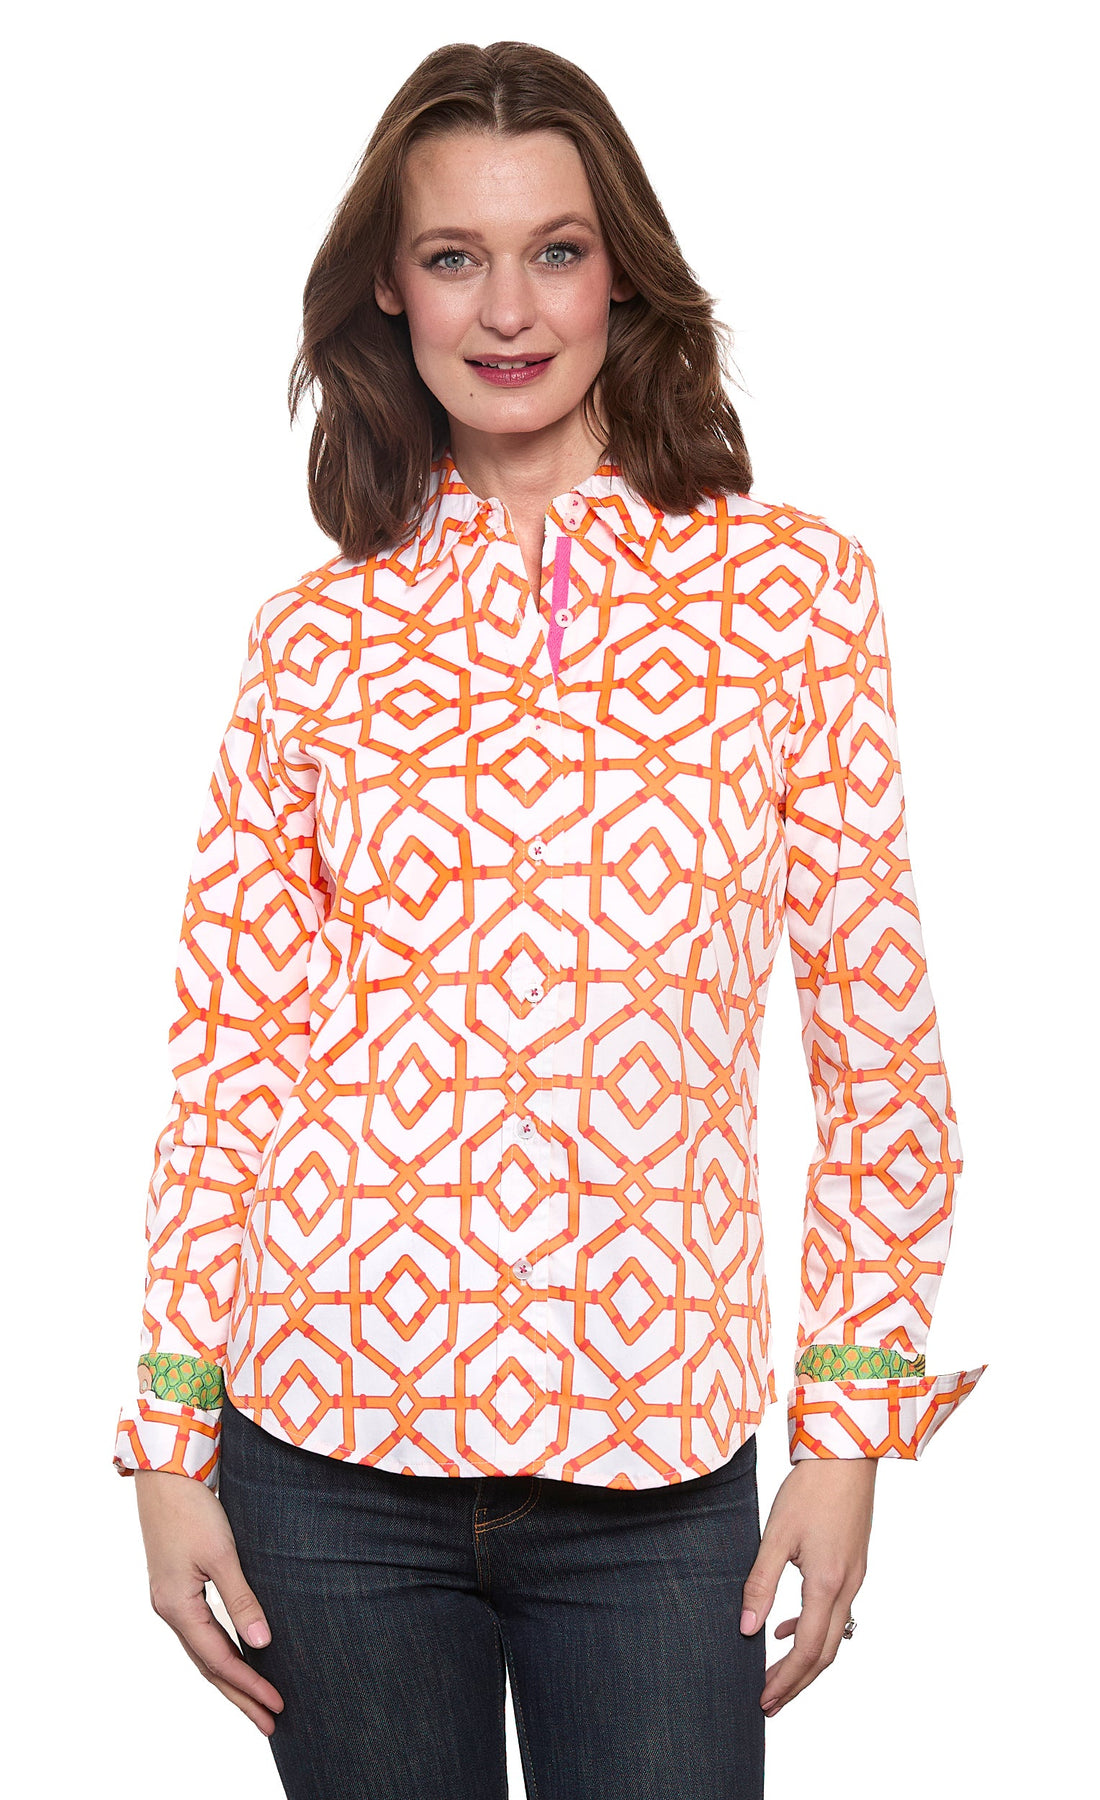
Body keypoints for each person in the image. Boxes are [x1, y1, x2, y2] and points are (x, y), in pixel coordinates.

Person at [112, 39, 987, 1800]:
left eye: (557, 252)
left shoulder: (792, 595)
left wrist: (848, 1429)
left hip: (657, 1474)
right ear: (391, 285)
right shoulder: (316, 638)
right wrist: (169, 1440)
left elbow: (877, 1048)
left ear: (622, 271)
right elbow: (233, 1056)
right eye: (455, 256)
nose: (507, 310)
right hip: (324, 1459)